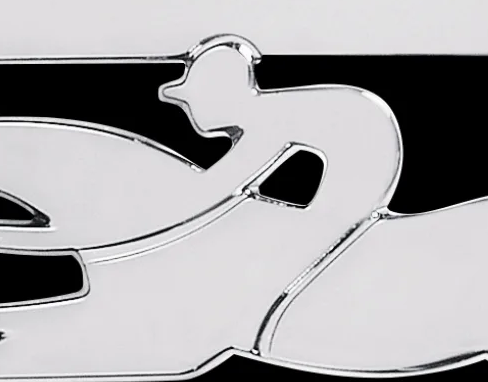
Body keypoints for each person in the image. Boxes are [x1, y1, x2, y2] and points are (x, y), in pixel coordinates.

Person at [157, 36, 403, 262]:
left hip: (361, 187)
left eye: (193, 99)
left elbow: (219, 188)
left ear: (224, 94)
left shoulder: (268, 123)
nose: (190, 108)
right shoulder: (274, 114)